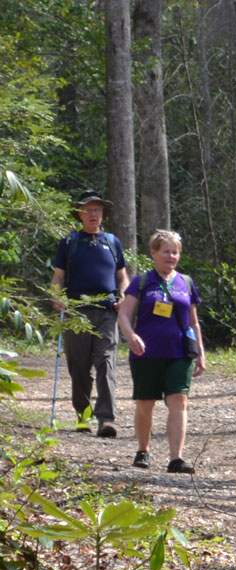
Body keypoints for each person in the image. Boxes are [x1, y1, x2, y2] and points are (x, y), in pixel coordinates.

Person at [117, 230, 205, 473]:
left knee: (179, 401)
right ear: (153, 253)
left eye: (175, 252)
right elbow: (124, 314)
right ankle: (143, 450)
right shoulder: (142, 281)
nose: (171, 256)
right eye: (166, 251)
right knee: (146, 402)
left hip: (179, 352)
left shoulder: (185, 282)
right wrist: (131, 335)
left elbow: (193, 321)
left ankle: (176, 458)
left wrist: (201, 352)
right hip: (146, 352)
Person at [50, 191, 130, 437]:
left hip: (107, 311)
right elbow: (58, 277)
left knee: (106, 361)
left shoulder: (112, 242)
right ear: (79, 214)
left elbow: (122, 277)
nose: (93, 214)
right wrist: (57, 297)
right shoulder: (69, 242)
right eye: (88, 210)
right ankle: (82, 415)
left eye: (97, 210)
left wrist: (124, 298)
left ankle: (106, 418)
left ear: (102, 213)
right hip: (77, 311)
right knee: (80, 366)